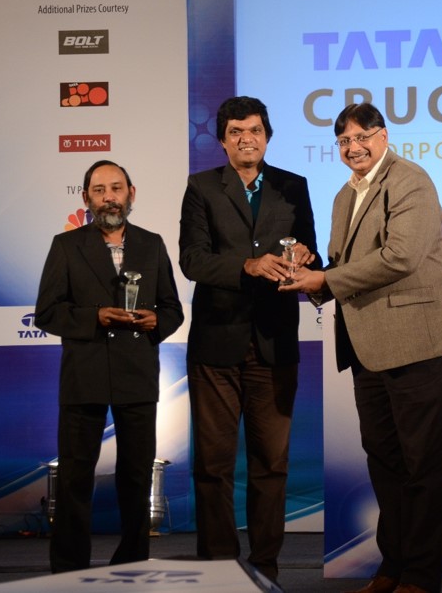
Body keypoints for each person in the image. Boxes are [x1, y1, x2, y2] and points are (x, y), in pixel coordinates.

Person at [282, 102, 442, 593]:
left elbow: (400, 257)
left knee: (424, 467)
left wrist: (326, 279)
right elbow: (346, 265)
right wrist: (311, 272)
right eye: (344, 141)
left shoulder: (410, 180)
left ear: (383, 136)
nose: (354, 147)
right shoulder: (344, 196)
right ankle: (392, 566)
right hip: (368, 346)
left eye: (362, 136)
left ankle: (421, 576)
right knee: (385, 465)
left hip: (423, 344)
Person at [178, 95, 320, 583]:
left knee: (271, 465)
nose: (246, 139)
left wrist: (305, 257)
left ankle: (265, 569)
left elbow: (313, 254)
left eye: (255, 130)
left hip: (275, 344)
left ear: (267, 136)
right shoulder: (201, 188)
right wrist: (248, 266)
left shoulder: (293, 186)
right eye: (236, 132)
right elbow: (193, 260)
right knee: (213, 465)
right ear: (222, 141)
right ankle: (219, 569)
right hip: (216, 345)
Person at [35, 160, 184, 573]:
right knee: (75, 477)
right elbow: (47, 312)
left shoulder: (152, 244)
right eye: (99, 191)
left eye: (116, 188)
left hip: (137, 374)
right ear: (86, 198)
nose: (108, 198)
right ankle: (69, 568)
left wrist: (157, 321)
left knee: (135, 477)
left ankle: (132, 562)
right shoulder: (66, 245)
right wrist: (95, 316)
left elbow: (172, 308)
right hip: (84, 375)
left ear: (131, 194)